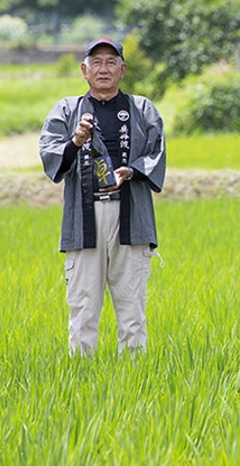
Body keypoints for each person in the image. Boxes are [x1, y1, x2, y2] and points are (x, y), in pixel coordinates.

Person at [39, 38, 166, 357]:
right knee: (82, 308)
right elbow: (51, 156)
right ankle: (82, 377)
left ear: (123, 70)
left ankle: (135, 379)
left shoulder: (142, 108)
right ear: (84, 70)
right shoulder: (67, 110)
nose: (104, 69)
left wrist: (131, 172)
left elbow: (156, 152)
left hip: (130, 216)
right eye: (96, 62)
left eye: (111, 62)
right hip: (83, 220)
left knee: (132, 309)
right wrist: (75, 141)